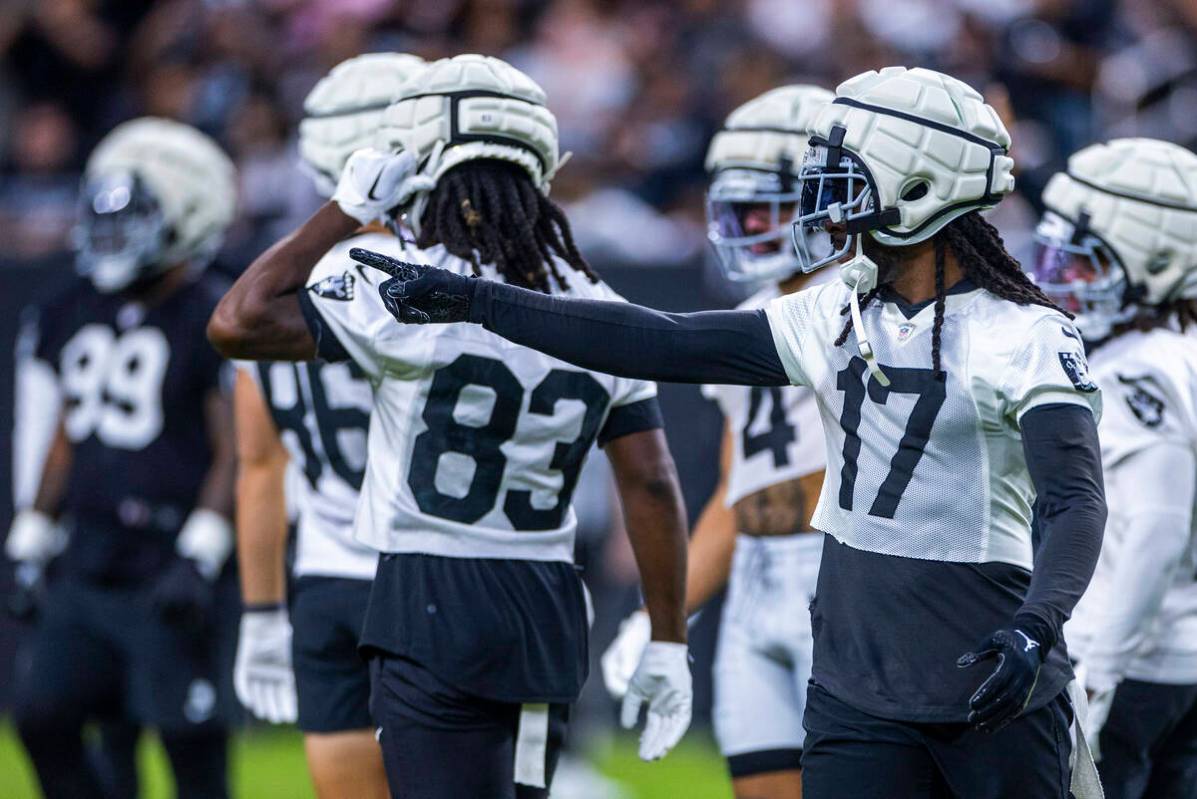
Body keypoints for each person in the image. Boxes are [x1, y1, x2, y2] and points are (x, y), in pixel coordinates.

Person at [353, 65, 1110, 798]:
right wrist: (479, 300)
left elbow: (1073, 500)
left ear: (918, 184)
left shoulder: (1027, 333)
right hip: (853, 680)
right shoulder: (833, 311)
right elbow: (661, 339)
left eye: (848, 173)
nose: (823, 198)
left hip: (991, 666)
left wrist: (1034, 627)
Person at [207, 54, 692, 799]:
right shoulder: (600, 300)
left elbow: (236, 321)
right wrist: (668, 637)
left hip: (429, 593)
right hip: (547, 598)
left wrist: (342, 209)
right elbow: (652, 481)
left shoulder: (403, 283)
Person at [602, 83, 832, 799]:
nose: (750, 225)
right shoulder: (751, 316)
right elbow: (736, 501)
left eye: (771, 205)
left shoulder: (866, 312)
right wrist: (657, 617)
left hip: (844, 582)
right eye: (741, 207)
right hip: (758, 586)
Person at [5, 117, 239, 799]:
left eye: (130, 222)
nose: (110, 243)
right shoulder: (73, 308)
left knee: (189, 743)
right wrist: (32, 533)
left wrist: (202, 550)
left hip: (166, 559)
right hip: (89, 555)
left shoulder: (209, 310)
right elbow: (67, 433)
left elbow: (235, 448)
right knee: (45, 717)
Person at [232, 51, 423, 799]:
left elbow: (260, 467)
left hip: (324, 576)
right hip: (426, 567)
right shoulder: (432, 273)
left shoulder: (269, 288)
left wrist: (260, 610)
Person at [1035, 137, 1197, 799]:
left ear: (1157, 262)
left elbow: (1156, 531)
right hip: (1174, 658)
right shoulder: (1176, 353)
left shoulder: (1136, 371)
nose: (1058, 280)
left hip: (1128, 661)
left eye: (1082, 265)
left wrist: (1098, 674)